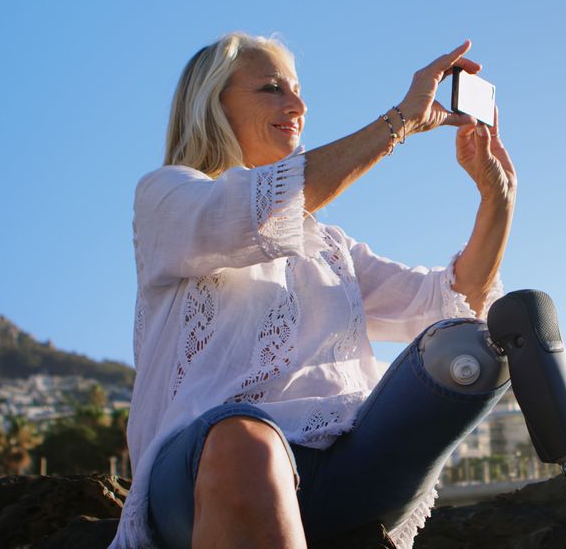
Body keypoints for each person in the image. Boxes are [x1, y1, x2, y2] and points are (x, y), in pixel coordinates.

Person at [112, 33, 516, 549]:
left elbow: (451, 301)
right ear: (212, 104)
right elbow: (254, 211)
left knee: (484, 342)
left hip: (344, 473)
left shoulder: (329, 246)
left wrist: (496, 197)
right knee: (245, 442)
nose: (298, 105)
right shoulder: (167, 195)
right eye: (272, 88)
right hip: (203, 476)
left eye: (298, 90)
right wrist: (399, 122)